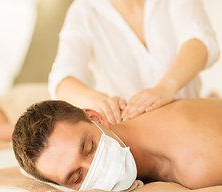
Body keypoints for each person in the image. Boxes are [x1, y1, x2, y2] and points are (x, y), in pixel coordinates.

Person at [49, 0, 219, 124]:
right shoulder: (83, 11)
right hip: (130, 129)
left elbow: (199, 41)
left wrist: (166, 87)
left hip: (188, 120)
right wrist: (100, 101)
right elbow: (62, 80)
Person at [12, 98, 222, 192]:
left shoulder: (199, 163)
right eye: (77, 177)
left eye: (90, 148)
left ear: (97, 118)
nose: (96, 166)